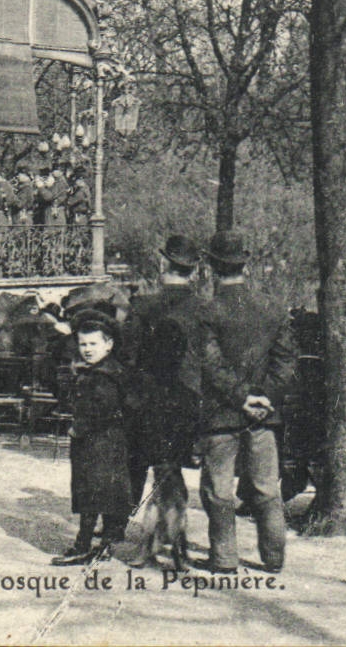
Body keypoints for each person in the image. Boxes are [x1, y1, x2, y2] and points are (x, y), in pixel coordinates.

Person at [196, 230, 296, 575]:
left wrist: (241, 397)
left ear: (212, 267)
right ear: (245, 265)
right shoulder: (273, 308)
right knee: (267, 488)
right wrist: (264, 396)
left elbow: (211, 364)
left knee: (219, 490)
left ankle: (224, 558)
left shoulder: (208, 311)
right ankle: (274, 557)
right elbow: (286, 362)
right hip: (264, 415)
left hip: (222, 415)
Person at [121, 234, 207, 571]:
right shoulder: (203, 308)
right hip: (189, 403)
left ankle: (154, 544)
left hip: (150, 403)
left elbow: (128, 357)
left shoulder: (142, 306)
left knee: (161, 474)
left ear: (163, 264)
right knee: (170, 473)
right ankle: (170, 543)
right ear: (193, 271)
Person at [53, 310, 135, 565]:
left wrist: (78, 428)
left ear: (108, 344)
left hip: (97, 442)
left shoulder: (102, 376)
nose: (87, 349)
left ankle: (83, 545)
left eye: (93, 344)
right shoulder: (106, 370)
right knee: (107, 493)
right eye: (83, 344)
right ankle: (105, 545)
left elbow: (101, 410)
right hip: (110, 441)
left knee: (90, 494)